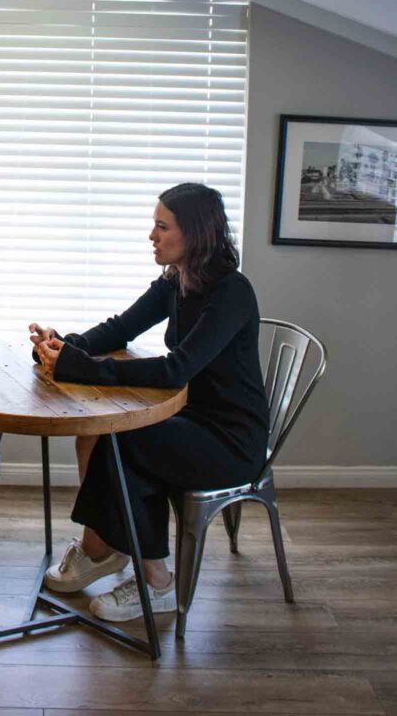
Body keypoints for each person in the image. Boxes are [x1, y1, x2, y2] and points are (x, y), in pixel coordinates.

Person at [29, 183, 269, 623]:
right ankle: (101, 549)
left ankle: (149, 578)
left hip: (231, 440)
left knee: (125, 443)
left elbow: (176, 369)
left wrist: (81, 367)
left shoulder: (232, 292)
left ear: (194, 234)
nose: (152, 236)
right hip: (188, 419)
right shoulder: (175, 280)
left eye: (162, 226)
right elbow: (122, 327)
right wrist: (64, 346)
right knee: (101, 430)